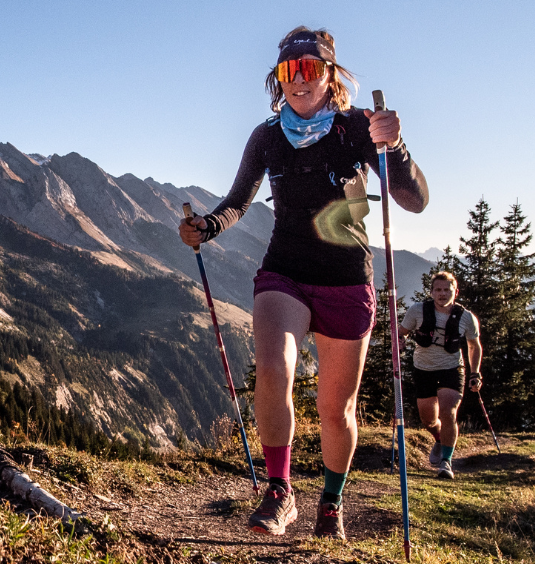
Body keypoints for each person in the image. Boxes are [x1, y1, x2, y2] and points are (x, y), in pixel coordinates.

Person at [179, 27, 428, 539]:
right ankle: (281, 490)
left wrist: (396, 146)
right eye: (289, 71)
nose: (299, 80)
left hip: (346, 281)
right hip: (284, 271)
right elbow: (237, 202)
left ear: (330, 75)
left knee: (336, 410)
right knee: (272, 370)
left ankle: (331, 503)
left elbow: (415, 200)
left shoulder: (358, 128)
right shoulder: (267, 136)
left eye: (310, 68)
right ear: (278, 79)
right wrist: (206, 226)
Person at [399, 271, 483, 480]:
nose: (442, 294)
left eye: (447, 290)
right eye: (438, 289)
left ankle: (446, 461)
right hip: (423, 369)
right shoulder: (417, 311)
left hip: (452, 369)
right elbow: (401, 333)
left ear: (455, 292)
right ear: (432, 292)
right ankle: (439, 437)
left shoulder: (466, 317)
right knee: (428, 419)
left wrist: (475, 373)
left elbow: (474, 346)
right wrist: (399, 342)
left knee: (449, 412)